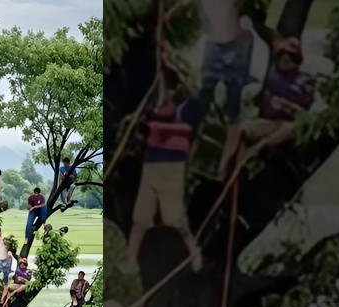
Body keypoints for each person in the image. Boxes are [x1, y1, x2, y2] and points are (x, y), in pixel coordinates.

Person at [128, 65, 205, 273]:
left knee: (175, 218)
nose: (169, 91)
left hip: (172, 168)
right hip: (151, 165)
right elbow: (160, 83)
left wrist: (179, 69)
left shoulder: (188, 110)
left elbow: (194, 91)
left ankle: (194, 252)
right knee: (141, 216)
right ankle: (131, 259)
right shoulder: (157, 109)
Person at [223, 36, 316, 173]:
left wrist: (289, 105)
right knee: (238, 128)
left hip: (286, 126)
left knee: (293, 127)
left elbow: (306, 117)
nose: (285, 59)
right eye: (282, 55)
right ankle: (223, 169)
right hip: (267, 122)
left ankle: (257, 149)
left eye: (290, 56)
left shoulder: (305, 82)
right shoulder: (270, 76)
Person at [199, 0, 254, 174]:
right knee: (204, 99)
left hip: (234, 44)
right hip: (216, 43)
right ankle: (203, 157)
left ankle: (223, 166)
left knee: (233, 108)